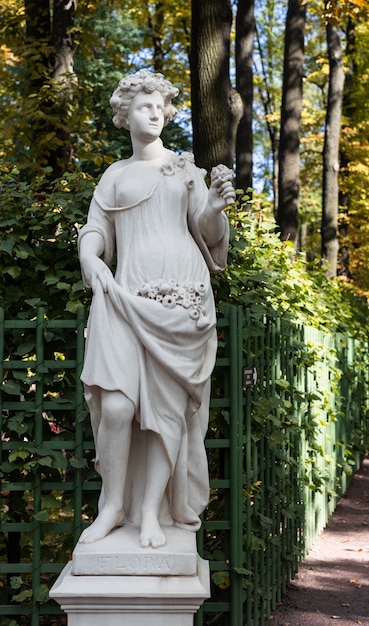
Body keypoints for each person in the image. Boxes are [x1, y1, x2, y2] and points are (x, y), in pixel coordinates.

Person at [78, 70, 234, 549]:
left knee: (166, 414)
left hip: (181, 298)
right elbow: (96, 228)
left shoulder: (184, 169)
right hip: (124, 296)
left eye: (159, 107)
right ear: (125, 114)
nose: (153, 113)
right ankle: (112, 507)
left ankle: (151, 512)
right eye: (143, 106)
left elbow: (207, 234)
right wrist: (90, 256)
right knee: (118, 405)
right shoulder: (116, 175)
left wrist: (213, 205)